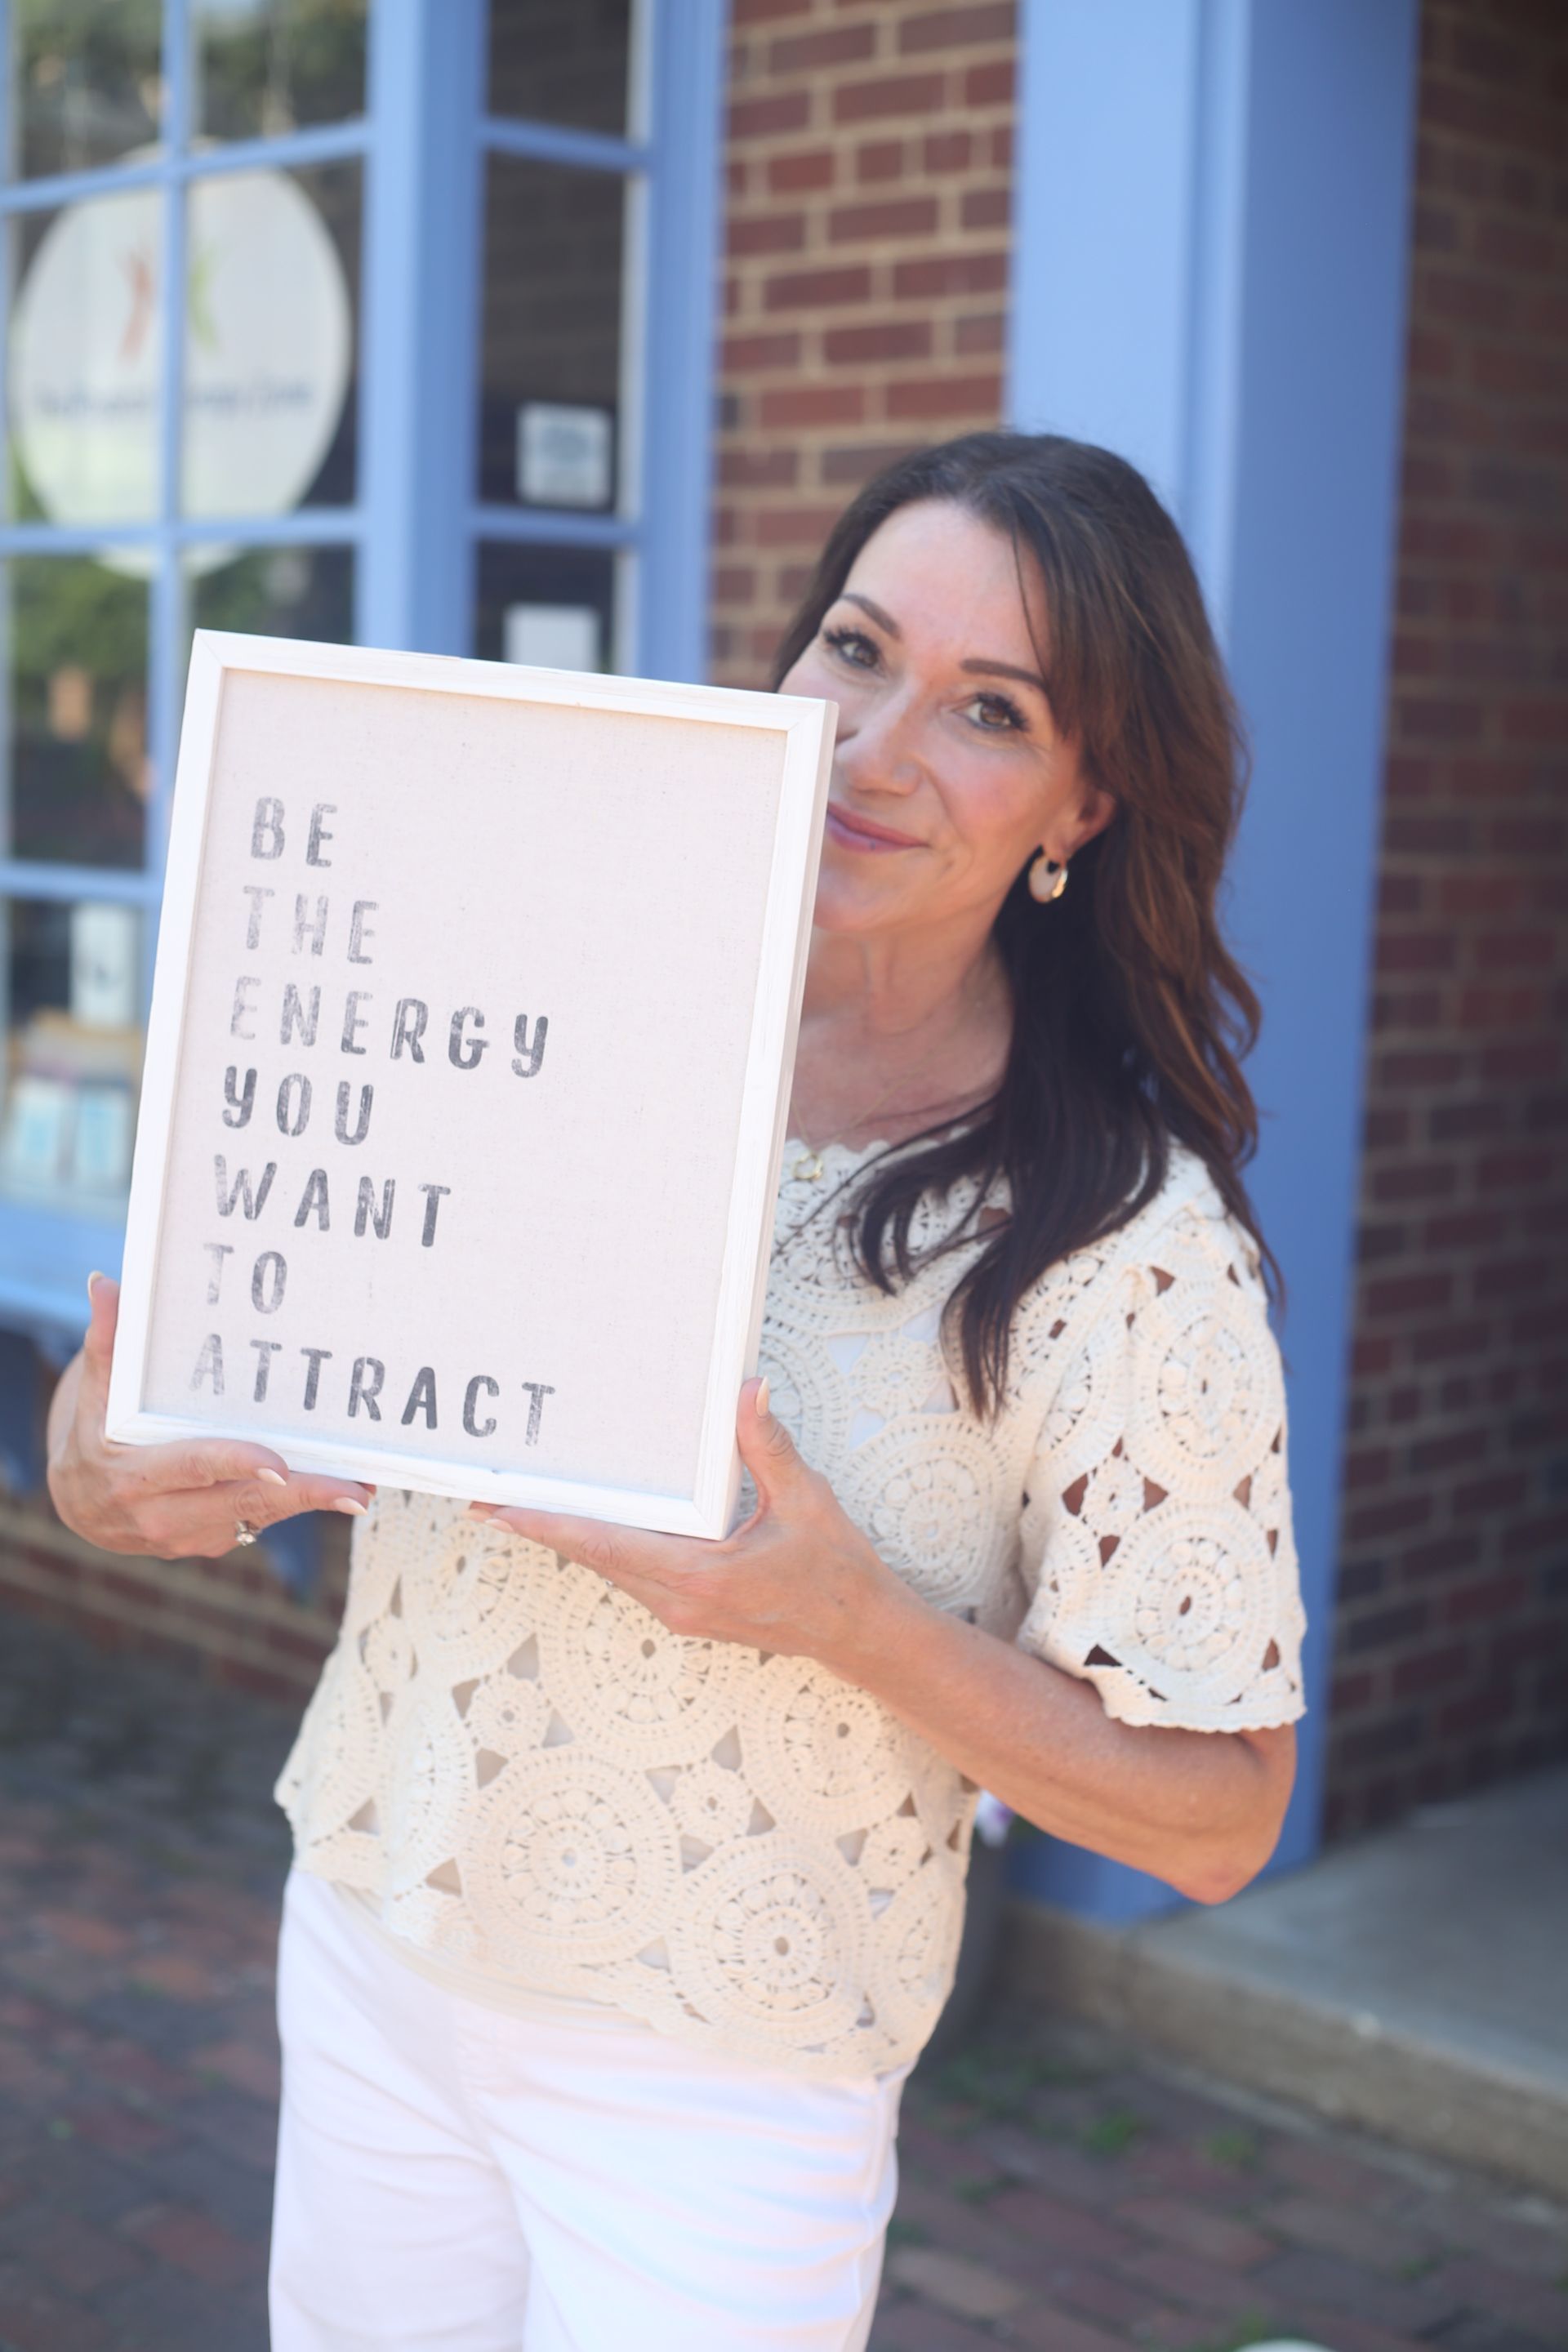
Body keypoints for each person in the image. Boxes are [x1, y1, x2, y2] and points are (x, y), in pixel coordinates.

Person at [47, 430, 1306, 2352]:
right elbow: (150, 1404)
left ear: (1085, 798)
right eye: (856, 650)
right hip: (374, 1933)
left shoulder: (1124, 1245)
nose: (880, 746)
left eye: (987, 707)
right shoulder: (523, 983)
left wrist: (846, 1621)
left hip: (725, 2084)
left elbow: (1220, 1821)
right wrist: (101, 1460)